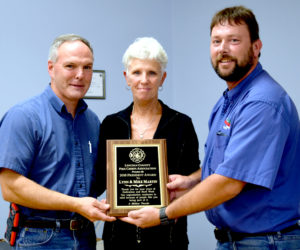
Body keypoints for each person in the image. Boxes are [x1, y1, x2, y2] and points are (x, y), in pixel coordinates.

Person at [121, 6, 300, 249]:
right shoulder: (228, 101)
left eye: (234, 40)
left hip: (265, 241)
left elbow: (228, 182)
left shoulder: (261, 103)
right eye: (216, 41)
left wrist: (164, 214)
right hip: (236, 240)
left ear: (256, 47)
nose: (223, 49)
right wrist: (192, 181)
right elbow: (223, 169)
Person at [0, 34, 115, 249]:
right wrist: (76, 204)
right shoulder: (23, 116)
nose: (80, 75)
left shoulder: (92, 121)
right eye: (70, 66)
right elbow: (10, 187)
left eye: (87, 67)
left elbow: (94, 181)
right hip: (39, 238)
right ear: (51, 68)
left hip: (86, 236)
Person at [97, 37, 201, 250]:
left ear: (162, 78)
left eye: (152, 73)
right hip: (119, 236)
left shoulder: (181, 124)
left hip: (168, 236)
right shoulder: (111, 124)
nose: (144, 80)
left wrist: (186, 182)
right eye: (136, 72)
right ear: (126, 78)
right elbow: (99, 177)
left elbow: (197, 176)